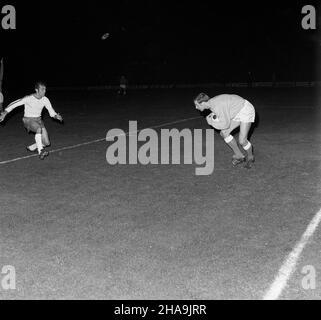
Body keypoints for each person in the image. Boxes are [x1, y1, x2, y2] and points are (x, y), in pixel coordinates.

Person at [0, 81, 63, 160]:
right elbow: (15, 104)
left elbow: (51, 111)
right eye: (42, 89)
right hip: (28, 120)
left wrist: (56, 116)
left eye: (45, 89)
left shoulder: (45, 99)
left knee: (47, 143)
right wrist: (5, 112)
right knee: (38, 129)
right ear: (36, 90)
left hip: (39, 120)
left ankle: (33, 147)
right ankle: (40, 151)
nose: (44, 91)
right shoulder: (29, 98)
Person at [194, 93, 255, 168]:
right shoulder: (211, 104)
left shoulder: (216, 106)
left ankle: (250, 157)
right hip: (236, 111)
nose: (196, 107)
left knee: (242, 141)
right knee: (224, 133)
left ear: (203, 103)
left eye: (197, 105)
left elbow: (225, 125)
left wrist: (211, 122)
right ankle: (239, 155)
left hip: (245, 110)